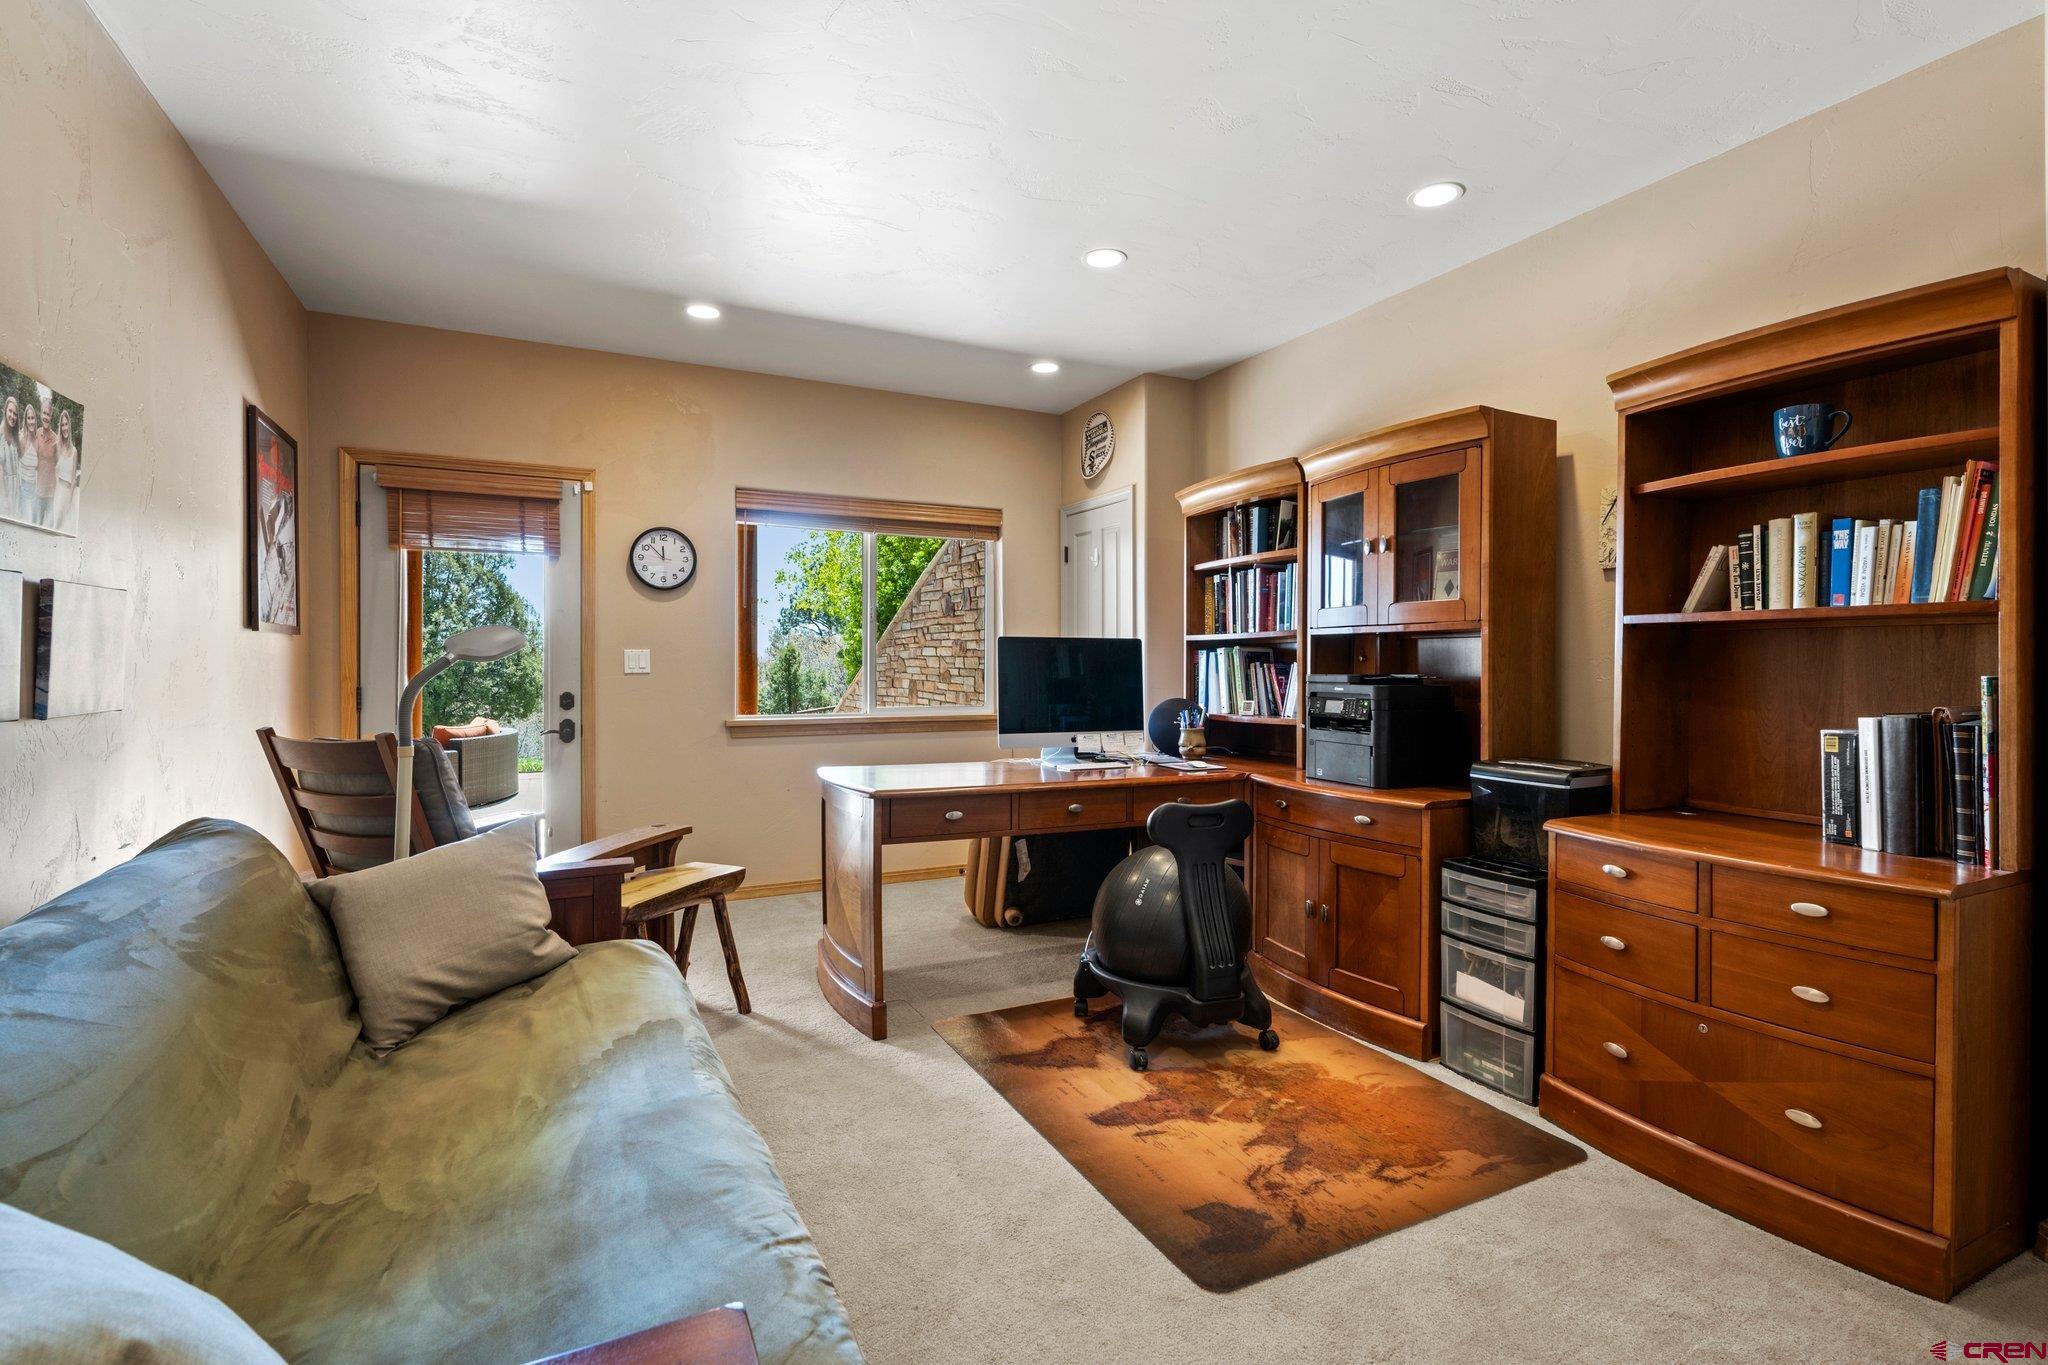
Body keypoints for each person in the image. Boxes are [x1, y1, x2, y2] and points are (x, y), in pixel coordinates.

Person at [52, 408, 81, 534]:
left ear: (69, 425)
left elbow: (74, 479)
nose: (64, 428)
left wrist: (69, 501)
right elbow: (54, 472)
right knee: (55, 526)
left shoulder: (74, 451)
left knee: (65, 529)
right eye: (62, 425)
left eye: (66, 424)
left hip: (68, 493)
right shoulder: (57, 447)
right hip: (58, 492)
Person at [33, 400, 59, 525]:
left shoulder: (56, 439)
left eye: (48, 414)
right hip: (38, 493)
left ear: (51, 416)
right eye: (44, 413)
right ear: (40, 414)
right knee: (35, 526)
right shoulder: (37, 433)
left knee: (47, 529)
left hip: (50, 495)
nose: (46, 417)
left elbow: (59, 467)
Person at [0, 394, 20, 521]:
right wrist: (4, 499)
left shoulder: (14, 436)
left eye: (15, 414)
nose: (12, 416)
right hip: (4, 491)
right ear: (5, 410)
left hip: (15, 491)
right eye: (10, 411)